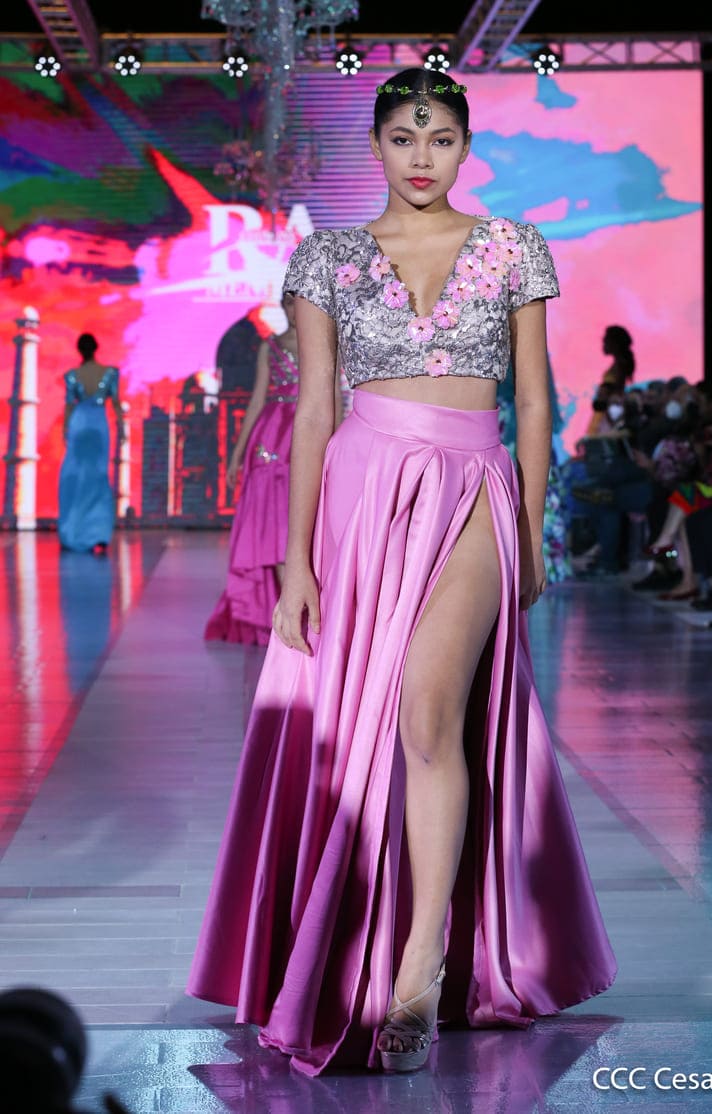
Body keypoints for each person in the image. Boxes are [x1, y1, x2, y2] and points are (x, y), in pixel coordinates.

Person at [187, 69, 616, 1077]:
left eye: (441, 139)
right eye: (403, 138)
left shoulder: (512, 247)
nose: (422, 157)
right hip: (364, 493)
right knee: (358, 730)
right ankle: (368, 948)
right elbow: (315, 413)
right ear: (376, 146)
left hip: (475, 489)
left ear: (465, 145)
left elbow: (536, 400)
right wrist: (296, 561)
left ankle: (421, 963)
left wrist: (532, 528)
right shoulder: (328, 258)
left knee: (428, 710)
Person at [205, 294, 300, 645]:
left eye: (298, 302)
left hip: (306, 432)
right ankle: (281, 612)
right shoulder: (269, 347)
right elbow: (258, 399)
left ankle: (295, 610)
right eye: (288, 304)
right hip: (271, 437)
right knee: (271, 523)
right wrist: (236, 453)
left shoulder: (322, 344)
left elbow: (332, 397)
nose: (293, 310)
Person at [58, 333, 122, 553]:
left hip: (79, 424)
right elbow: (116, 403)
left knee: (76, 478)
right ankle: (98, 533)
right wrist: (122, 427)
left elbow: (69, 405)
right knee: (98, 477)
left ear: (79, 350)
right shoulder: (110, 373)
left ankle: (74, 531)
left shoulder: (72, 376)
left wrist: (65, 429)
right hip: (98, 424)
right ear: (96, 348)